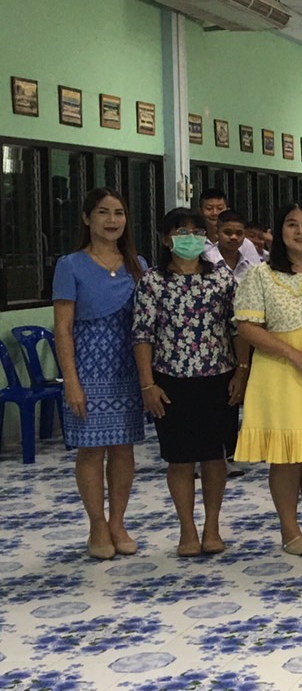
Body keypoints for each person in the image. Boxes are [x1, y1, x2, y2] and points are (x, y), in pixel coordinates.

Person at [232, 204, 302, 555]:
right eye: (292, 224)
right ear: (279, 231)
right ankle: (289, 530)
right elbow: (247, 327)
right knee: (287, 456)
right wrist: (292, 354)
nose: (300, 231)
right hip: (280, 374)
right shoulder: (261, 274)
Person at [132, 207, 248, 557]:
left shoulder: (221, 278)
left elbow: (237, 327)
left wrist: (242, 371)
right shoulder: (152, 281)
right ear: (166, 239)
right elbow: (142, 335)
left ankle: (212, 527)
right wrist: (147, 384)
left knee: (214, 458)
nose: (191, 239)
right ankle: (187, 529)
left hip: (218, 379)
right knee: (180, 460)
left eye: (197, 232)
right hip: (170, 382)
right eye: (182, 232)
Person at [53, 188, 148, 560]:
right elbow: (63, 329)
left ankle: (118, 523)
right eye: (103, 212)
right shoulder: (71, 265)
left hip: (128, 367)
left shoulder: (137, 264)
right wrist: (71, 381)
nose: (112, 220)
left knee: (123, 448)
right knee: (91, 450)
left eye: (119, 213)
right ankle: (97, 525)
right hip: (88, 368)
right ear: (86, 218)